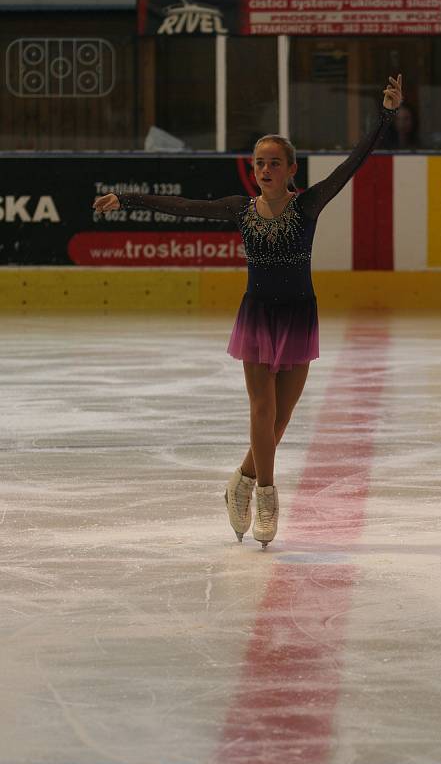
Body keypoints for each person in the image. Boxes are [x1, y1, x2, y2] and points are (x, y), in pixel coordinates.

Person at [93, 74, 403, 549]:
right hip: (258, 316)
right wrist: (128, 198)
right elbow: (184, 207)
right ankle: (265, 495)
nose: (265, 169)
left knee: (280, 420)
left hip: (299, 316)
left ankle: (238, 479)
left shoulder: (310, 205)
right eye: (260, 163)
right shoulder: (241, 209)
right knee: (262, 408)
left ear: (291, 170)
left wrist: (385, 114)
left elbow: (354, 162)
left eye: (274, 163)